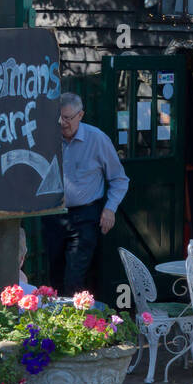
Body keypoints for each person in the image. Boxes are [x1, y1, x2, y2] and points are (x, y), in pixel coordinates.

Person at [42, 92, 129, 295]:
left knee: (75, 277)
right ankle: (56, 324)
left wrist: (110, 208)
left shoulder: (97, 139)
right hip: (53, 216)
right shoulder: (48, 137)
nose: (62, 123)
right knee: (54, 276)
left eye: (68, 118)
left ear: (80, 115)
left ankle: (78, 322)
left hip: (85, 216)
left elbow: (119, 179)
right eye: (59, 117)